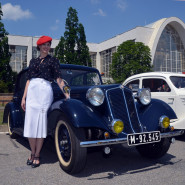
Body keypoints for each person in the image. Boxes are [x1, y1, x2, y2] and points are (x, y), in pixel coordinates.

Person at [21, 35, 70, 168]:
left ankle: (37, 155)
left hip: (44, 92)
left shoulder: (53, 60)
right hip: (32, 92)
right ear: (39, 46)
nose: (46, 47)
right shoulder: (33, 61)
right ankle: (32, 152)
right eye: (44, 45)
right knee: (31, 125)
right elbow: (28, 80)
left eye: (48, 45)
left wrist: (66, 93)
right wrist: (24, 97)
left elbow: (59, 79)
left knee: (41, 124)